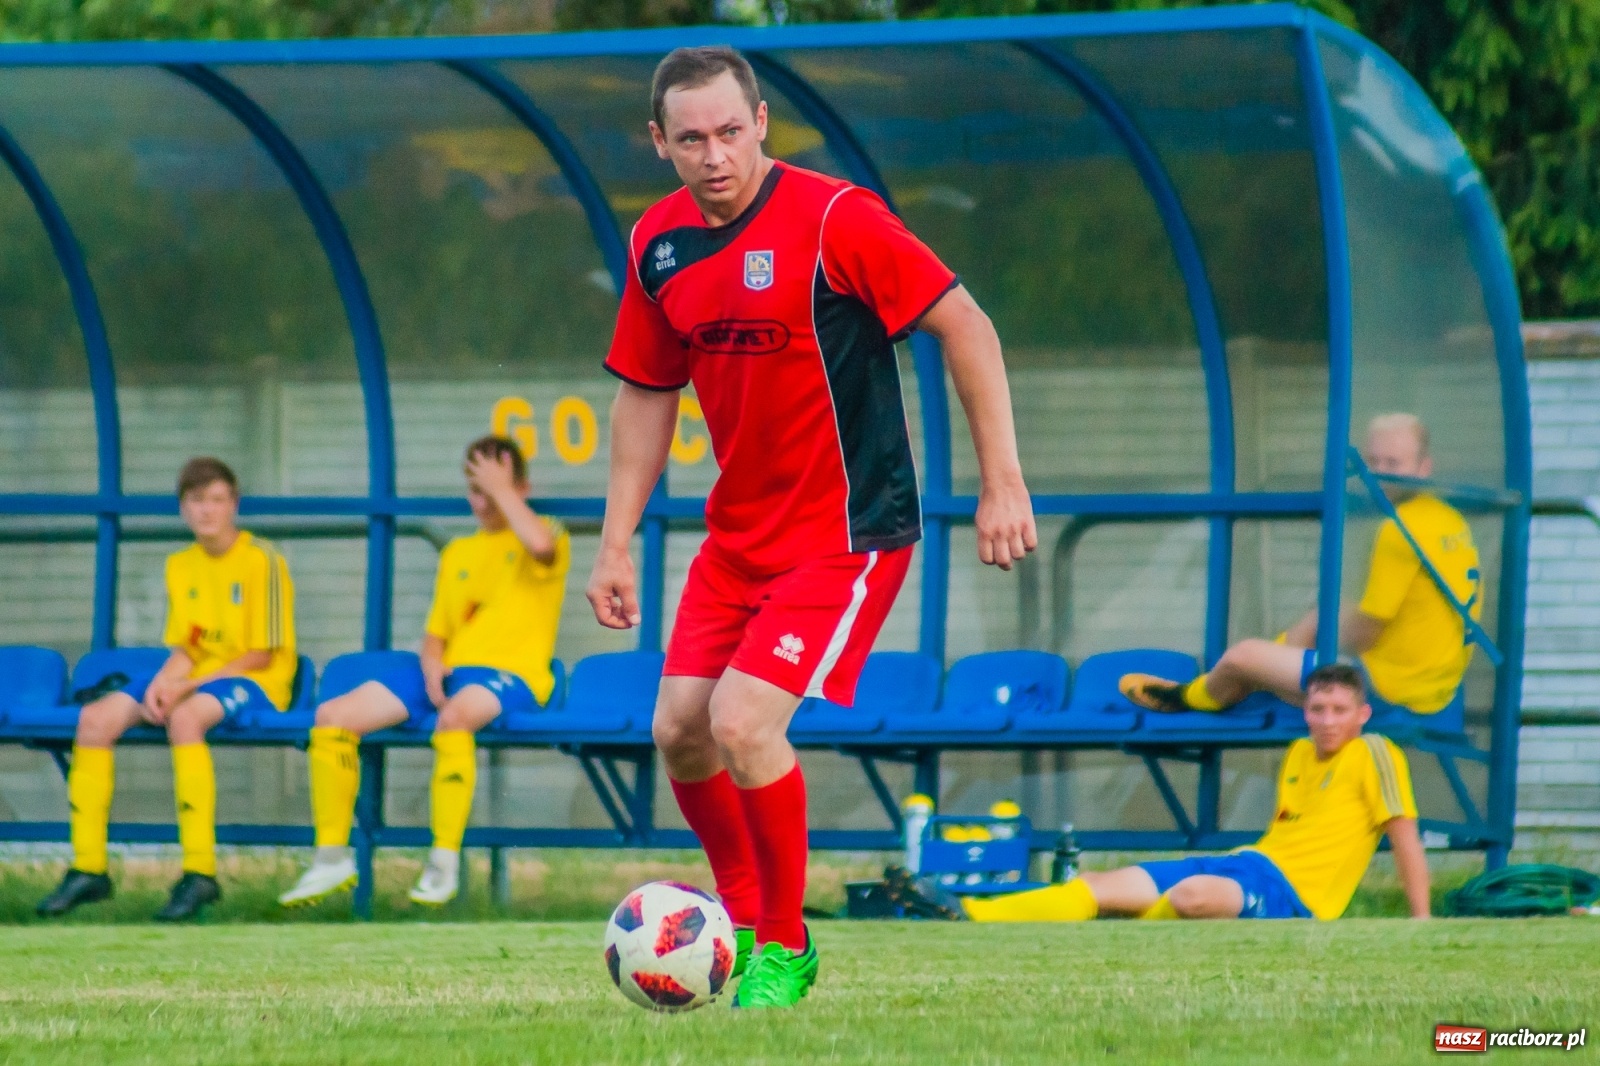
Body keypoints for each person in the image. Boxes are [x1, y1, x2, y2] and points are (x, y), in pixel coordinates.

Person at [588, 46, 1036, 1008]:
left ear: (762, 125)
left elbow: (968, 325)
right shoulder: (658, 246)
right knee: (678, 731)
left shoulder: (836, 220)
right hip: (736, 539)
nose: (716, 155)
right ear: (659, 143)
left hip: (848, 532)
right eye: (693, 139)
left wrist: (1003, 481)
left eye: (732, 132)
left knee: (744, 724)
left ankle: (785, 953)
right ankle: (742, 920)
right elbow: (644, 394)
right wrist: (616, 540)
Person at [277, 435, 570, 909]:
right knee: (332, 715)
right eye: (475, 489)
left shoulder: (548, 532)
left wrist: (502, 491)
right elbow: (436, 633)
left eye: (494, 488)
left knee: (456, 717)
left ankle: (443, 860)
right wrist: (432, 669)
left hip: (510, 677)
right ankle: (331, 858)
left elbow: (539, 545)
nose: (483, 500)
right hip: (448, 674)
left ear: (521, 488)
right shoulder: (458, 553)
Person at [953, 664, 1431, 922]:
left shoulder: (1375, 751)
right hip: (1247, 862)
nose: (1326, 721)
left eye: (1339, 710)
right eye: (1317, 708)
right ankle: (969, 914)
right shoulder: (1300, 752)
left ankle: (1132, 944)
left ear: (1362, 714)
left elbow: (1405, 835)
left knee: (1190, 897)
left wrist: (1421, 920)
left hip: (1292, 895)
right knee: (1097, 886)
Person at [37, 457, 298, 922]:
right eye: (197, 501)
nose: (207, 511)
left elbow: (262, 654)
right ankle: (88, 867)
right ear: (182, 508)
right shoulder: (181, 565)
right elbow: (188, 646)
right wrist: (162, 683)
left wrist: (187, 687)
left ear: (234, 505)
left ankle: (200, 873)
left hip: (256, 681)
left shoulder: (264, 561)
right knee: (96, 719)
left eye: (217, 500)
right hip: (197, 675)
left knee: (186, 717)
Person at [1121, 413, 1480, 717]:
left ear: (1424, 467)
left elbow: (1367, 632)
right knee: (1322, 616)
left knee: (1242, 656)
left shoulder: (1398, 529)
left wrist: (1310, 648)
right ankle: (1264, 666)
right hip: (1437, 688)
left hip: (1388, 688)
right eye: (1373, 462)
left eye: (1394, 464)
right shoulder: (1448, 520)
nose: (1380, 474)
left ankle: (1186, 699)